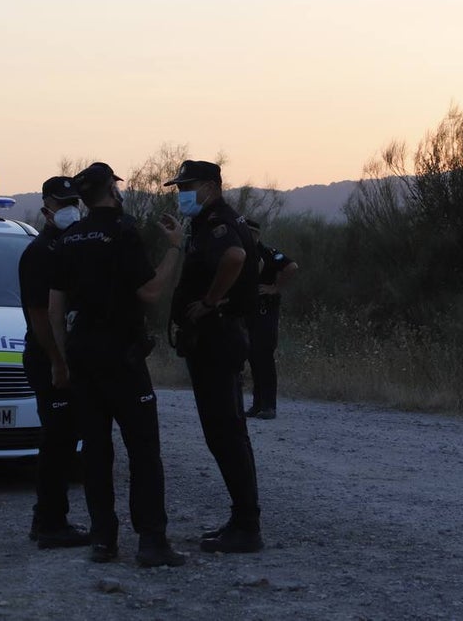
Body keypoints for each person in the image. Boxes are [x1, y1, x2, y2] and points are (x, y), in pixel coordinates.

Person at [48, 162, 187, 568]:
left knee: (95, 450)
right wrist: (175, 248)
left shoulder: (69, 238)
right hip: (122, 358)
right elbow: (151, 290)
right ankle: (151, 542)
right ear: (113, 188)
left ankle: (103, 540)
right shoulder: (122, 231)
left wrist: (61, 361)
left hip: (82, 357)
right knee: (143, 449)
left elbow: (56, 309)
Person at [164, 159, 264, 554]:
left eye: (186, 186)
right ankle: (240, 520)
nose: (181, 194)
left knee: (226, 433)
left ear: (209, 186)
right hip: (212, 337)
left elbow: (237, 258)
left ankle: (246, 525)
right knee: (224, 433)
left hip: (218, 337)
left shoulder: (220, 222)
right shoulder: (207, 222)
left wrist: (209, 302)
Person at [17, 176, 91, 549]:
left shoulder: (73, 245)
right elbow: (40, 315)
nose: (69, 209)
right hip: (49, 356)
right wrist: (57, 362)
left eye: (74, 202)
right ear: (46, 207)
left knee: (66, 438)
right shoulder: (40, 252)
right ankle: (48, 522)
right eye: (62, 204)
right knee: (57, 440)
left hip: (68, 356)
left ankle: (53, 518)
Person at [244, 219, 299, 420]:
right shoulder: (242, 253)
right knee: (253, 357)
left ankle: (269, 406)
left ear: (256, 234)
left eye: (250, 232)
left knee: (264, 358)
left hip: (265, 311)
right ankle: (257, 404)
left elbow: (291, 266)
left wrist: (274, 288)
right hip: (248, 312)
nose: (247, 236)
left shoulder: (267, 252)